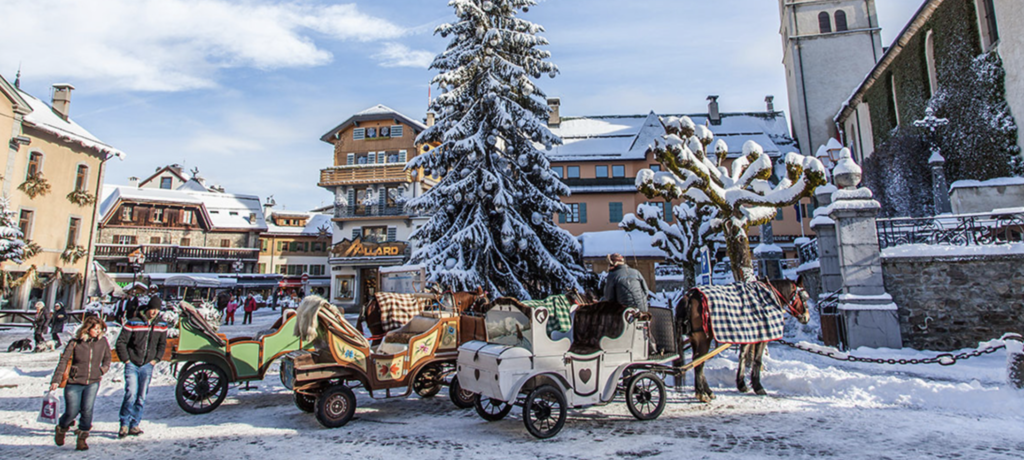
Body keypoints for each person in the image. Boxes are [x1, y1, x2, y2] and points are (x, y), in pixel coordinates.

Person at [50, 315, 111, 451]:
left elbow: (108, 358)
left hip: (93, 382)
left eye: (100, 329)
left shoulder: (102, 342)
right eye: (95, 329)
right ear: (87, 329)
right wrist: (56, 380)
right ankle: (62, 428)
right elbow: (64, 361)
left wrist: (102, 370)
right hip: (74, 381)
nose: (98, 331)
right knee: (71, 411)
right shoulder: (75, 342)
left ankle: (82, 438)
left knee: (87, 411)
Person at [115, 297, 168, 439]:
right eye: (152, 309)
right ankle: (124, 423)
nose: (154, 312)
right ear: (148, 308)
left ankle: (135, 423)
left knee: (141, 396)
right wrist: (126, 359)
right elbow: (121, 342)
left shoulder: (161, 325)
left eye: (157, 310)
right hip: (132, 363)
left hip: (147, 364)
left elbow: (162, 344)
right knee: (131, 393)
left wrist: (155, 359)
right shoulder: (133, 322)